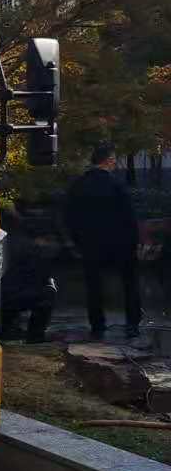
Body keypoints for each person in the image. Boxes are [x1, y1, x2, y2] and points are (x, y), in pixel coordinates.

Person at [65, 142, 142, 340]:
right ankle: (132, 324)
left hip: (90, 244)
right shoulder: (117, 185)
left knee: (94, 285)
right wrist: (135, 241)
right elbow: (129, 216)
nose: (115, 163)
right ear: (108, 161)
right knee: (130, 283)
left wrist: (76, 241)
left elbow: (70, 216)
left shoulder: (79, 185)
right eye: (114, 159)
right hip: (120, 244)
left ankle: (97, 325)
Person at [0, 204, 58, 343]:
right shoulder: (33, 246)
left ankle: (6, 329)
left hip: (1, 296)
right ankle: (35, 335)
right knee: (49, 290)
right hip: (23, 296)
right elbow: (44, 272)